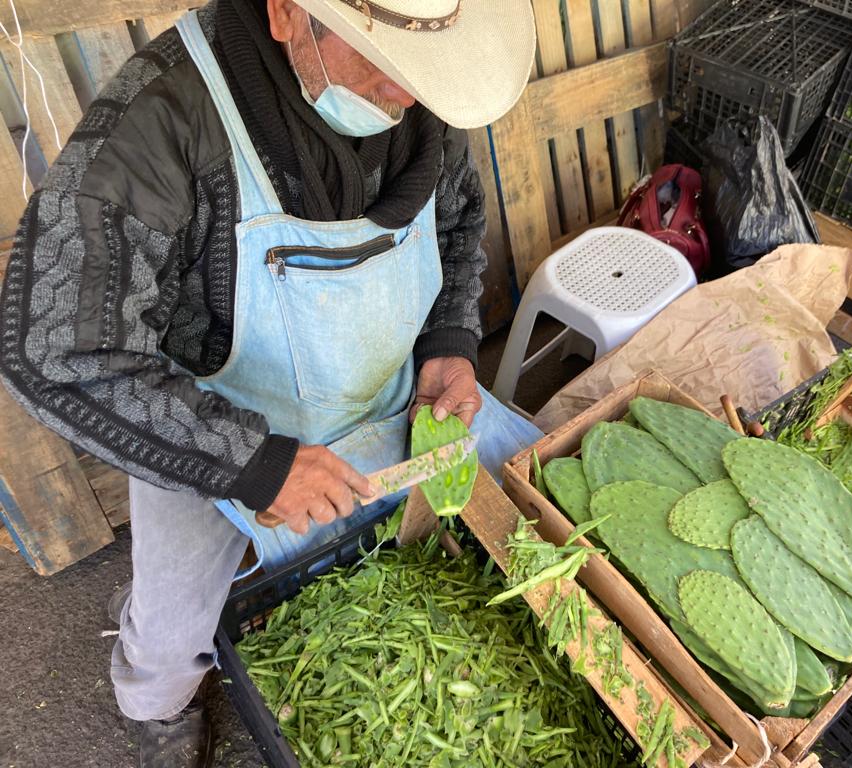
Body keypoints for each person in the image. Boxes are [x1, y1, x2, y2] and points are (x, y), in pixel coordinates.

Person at [0, 0, 539, 765]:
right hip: (217, 431)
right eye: (380, 61)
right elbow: (54, 349)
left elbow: (457, 220)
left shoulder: (419, 94)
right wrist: (249, 463)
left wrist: (450, 339)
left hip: (388, 393)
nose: (408, 95)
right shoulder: (164, 118)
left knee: (508, 515)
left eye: (422, 73)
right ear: (288, 12)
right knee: (172, 626)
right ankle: (152, 706)